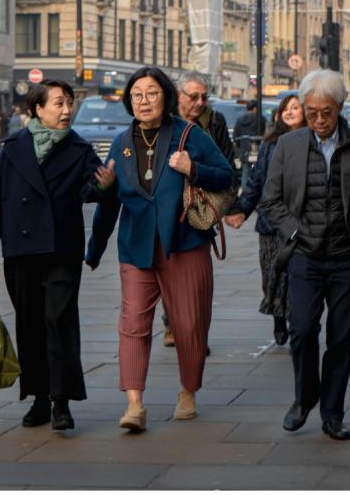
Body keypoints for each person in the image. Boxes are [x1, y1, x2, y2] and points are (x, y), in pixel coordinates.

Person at [86, 66, 233, 432]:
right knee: (133, 324)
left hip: (184, 243)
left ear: (165, 96)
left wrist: (193, 168)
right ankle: (134, 404)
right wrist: (95, 243)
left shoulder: (189, 134)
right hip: (136, 247)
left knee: (189, 323)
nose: (144, 100)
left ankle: (188, 390)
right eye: (137, 94)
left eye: (151, 93)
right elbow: (110, 202)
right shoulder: (121, 142)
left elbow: (227, 175)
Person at [0, 80, 116, 431]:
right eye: (58, 104)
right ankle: (37, 399)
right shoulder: (11, 150)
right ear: (37, 109)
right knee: (30, 326)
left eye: (69, 103)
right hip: (21, 254)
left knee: (60, 323)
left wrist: (104, 186)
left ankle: (62, 402)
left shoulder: (80, 150)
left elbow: (90, 192)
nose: (66, 110)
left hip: (61, 251)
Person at [260, 69, 350, 441]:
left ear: (341, 108)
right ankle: (304, 398)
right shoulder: (289, 146)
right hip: (304, 256)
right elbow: (271, 200)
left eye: (326, 113)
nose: (318, 120)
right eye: (311, 112)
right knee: (301, 330)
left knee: (341, 338)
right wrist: (294, 231)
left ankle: (332, 412)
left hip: (349, 258)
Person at [162, 70, 237, 348]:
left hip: (199, 207)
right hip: (168, 208)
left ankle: (194, 334)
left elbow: (227, 165)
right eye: (193, 96)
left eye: (204, 97)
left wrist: (233, 206)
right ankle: (172, 323)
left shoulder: (214, 122)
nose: (200, 102)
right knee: (168, 271)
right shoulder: (164, 122)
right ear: (178, 96)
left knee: (195, 279)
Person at [225, 94, 306, 345]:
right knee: (272, 275)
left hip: (301, 223)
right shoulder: (270, 144)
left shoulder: (312, 141)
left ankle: (295, 324)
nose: (290, 112)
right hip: (270, 225)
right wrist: (241, 210)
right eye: (286, 109)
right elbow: (256, 181)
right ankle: (278, 317)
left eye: (296, 108)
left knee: (297, 276)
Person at [232, 100, 267, 191]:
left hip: (244, 150)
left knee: (245, 173)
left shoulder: (240, 119)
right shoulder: (261, 119)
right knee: (260, 172)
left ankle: (245, 192)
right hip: (258, 149)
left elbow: (235, 135)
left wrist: (241, 147)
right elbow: (266, 133)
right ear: (255, 108)